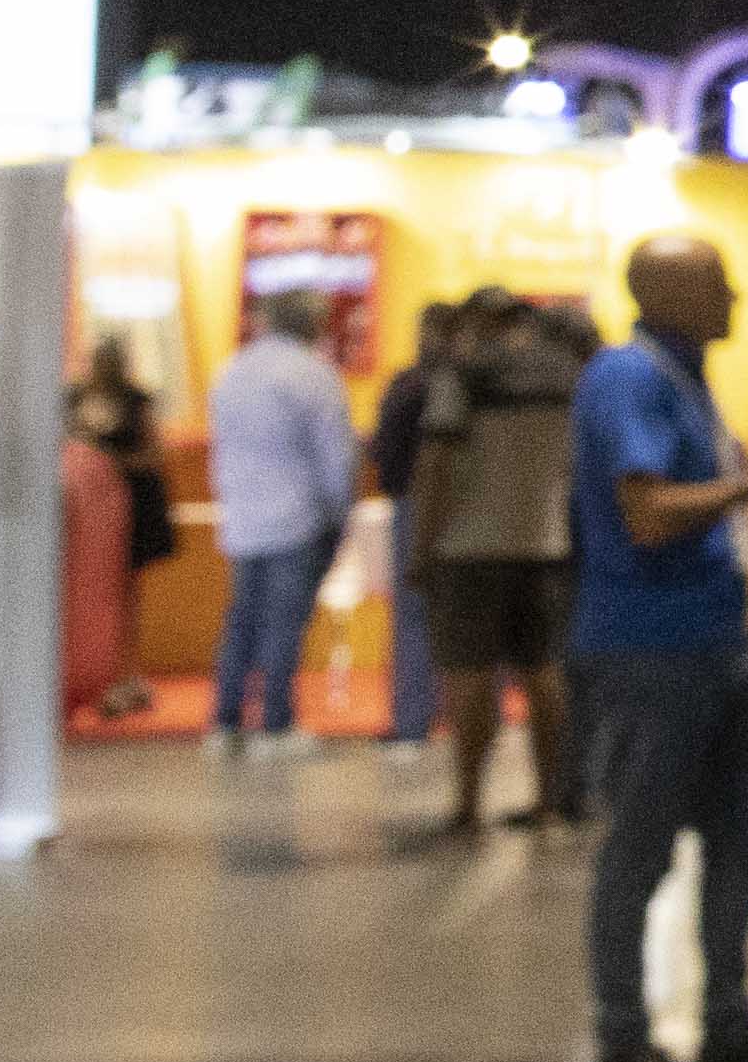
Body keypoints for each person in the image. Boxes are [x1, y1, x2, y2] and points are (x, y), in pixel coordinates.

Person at [564, 230, 748, 1062]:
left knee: (742, 831)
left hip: (712, 644)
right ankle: (622, 1041)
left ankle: (728, 1024)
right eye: (718, 283)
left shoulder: (682, 378)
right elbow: (646, 513)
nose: (735, 298)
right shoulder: (629, 378)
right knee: (640, 845)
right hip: (651, 646)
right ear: (665, 294)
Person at [418, 292, 591, 833]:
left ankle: (468, 803)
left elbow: (437, 465)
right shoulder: (570, 377)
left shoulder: (462, 375)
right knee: (544, 674)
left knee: (469, 675)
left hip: (468, 546)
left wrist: (422, 545)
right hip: (546, 545)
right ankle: (549, 799)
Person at [200, 289, 364, 762]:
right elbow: (336, 457)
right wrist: (340, 512)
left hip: (243, 518)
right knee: (284, 623)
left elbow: (221, 448)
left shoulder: (232, 372)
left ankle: (226, 722)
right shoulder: (314, 375)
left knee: (242, 621)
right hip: (298, 519)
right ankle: (276, 724)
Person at [362, 291, 470, 757]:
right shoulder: (470, 386)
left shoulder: (407, 385)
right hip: (464, 507)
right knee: (464, 614)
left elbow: (383, 450)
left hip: (414, 504)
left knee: (413, 615)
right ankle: (462, 717)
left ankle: (412, 720)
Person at [68, 339, 165, 717]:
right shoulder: (73, 400)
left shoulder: (136, 402)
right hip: (84, 513)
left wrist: (104, 463)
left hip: (126, 511)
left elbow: (153, 453)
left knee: (124, 598)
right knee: (82, 598)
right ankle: (84, 675)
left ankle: (122, 675)